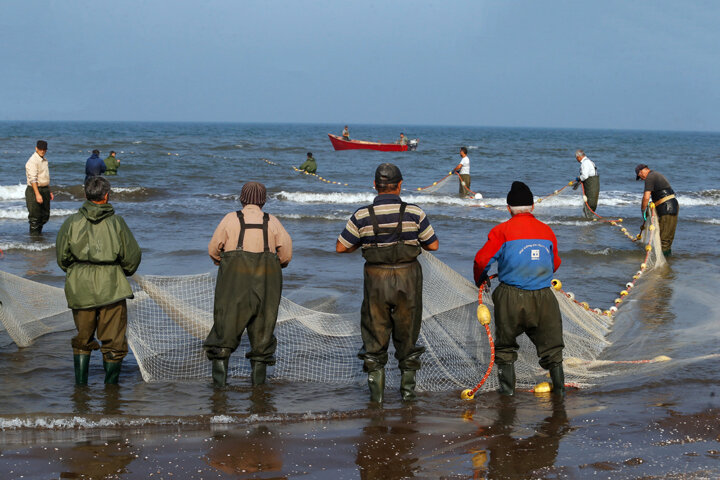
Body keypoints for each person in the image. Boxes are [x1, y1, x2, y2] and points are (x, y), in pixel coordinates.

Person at [336, 163, 439, 403]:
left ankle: (377, 400)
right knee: (408, 336)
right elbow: (432, 245)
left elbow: (341, 247)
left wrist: (365, 242)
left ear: (375, 185)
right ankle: (407, 396)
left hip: (376, 280)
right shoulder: (415, 212)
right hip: (408, 279)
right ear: (400, 185)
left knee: (374, 337)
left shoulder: (362, 215)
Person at [473, 181, 565, 396]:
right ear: (532, 207)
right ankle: (560, 396)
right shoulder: (546, 230)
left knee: (505, 349)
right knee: (553, 350)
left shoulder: (501, 230)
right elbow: (555, 263)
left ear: (508, 208)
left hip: (510, 297)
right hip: (544, 298)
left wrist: (481, 279)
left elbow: (481, 260)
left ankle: (507, 399)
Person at [204, 181, 293, 387]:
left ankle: (219, 391)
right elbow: (286, 255)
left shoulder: (230, 219)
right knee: (263, 332)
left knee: (224, 331)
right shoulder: (273, 221)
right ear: (264, 200)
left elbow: (213, 249)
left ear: (242, 199)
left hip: (233, 282)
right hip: (267, 282)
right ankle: (258, 392)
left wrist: (223, 262)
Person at [56, 176, 142, 385]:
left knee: (82, 341)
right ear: (107, 195)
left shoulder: (71, 222)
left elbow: (62, 258)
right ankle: (111, 393)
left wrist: (78, 273)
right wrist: (117, 272)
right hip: (111, 287)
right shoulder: (117, 223)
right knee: (113, 343)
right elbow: (132, 258)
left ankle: (81, 389)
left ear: (86, 195)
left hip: (80, 288)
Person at [635, 164, 679, 256]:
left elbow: (646, 197)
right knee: (667, 237)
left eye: (640, 176)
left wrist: (643, 210)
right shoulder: (655, 175)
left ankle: (664, 262)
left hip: (667, 208)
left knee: (664, 239)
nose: (642, 179)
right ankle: (668, 259)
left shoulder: (650, 177)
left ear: (642, 171)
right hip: (671, 206)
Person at [25, 140, 54, 235]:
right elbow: (33, 179)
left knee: (45, 215)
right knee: (35, 217)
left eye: (44, 149)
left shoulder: (44, 161)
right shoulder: (32, 161)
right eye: (40, 149)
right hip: (34, 190)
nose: (42, 151)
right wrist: (37, 194)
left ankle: (38, 235)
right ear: (36, 148)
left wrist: (49, 191)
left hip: (45, 189)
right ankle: (34, 240)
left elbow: (45, 176)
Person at [572, 149, 599, 218]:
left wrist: (578, 179)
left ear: (579, 157)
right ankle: (589, 219)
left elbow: (585, 176)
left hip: (591, 186)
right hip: (593, 184)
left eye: (576, 158)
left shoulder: (585, 163)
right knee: (591, 203)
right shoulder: (590, 162)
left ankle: (587, 221)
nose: (576, 159)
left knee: (589, 204)